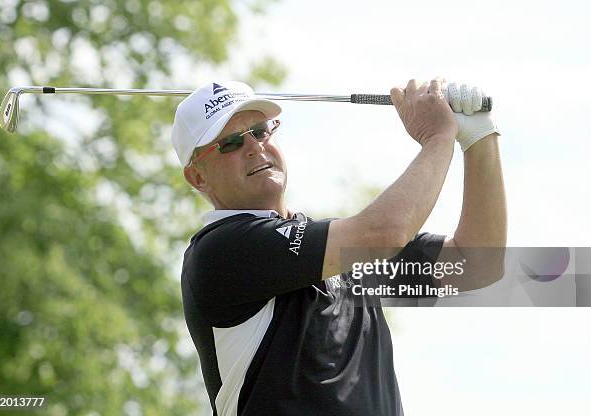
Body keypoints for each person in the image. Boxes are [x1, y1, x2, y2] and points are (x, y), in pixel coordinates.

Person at [171, 78, 506, 415]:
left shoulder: (340, 247)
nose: (255, 147)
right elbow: (386, 233)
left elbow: (477, 264)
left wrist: (478, 137)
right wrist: (437, 137)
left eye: (260, 131)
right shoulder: (221, 252)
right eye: (230, 143)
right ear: (198, 177)